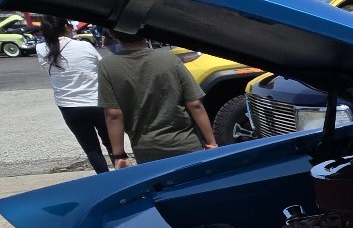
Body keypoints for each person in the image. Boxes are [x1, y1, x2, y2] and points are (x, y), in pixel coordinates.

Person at [98, 34, 218, 165]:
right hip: (186, 143)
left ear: (112, 34)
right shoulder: (170, 59)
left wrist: (119, 156)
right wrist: (211, 143)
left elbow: (113, 114)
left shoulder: (107, 66)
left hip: (146, 149)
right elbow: (195, 104)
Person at [35, 15, 113, 174]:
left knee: (91, 149)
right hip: (96, 101)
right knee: (112, 144)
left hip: (69, 106)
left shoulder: (41, 49)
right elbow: (101, 66)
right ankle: (124, 176)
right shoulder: (84, 45)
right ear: (67, 28)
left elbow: (46, 68)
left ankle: (105, 179)